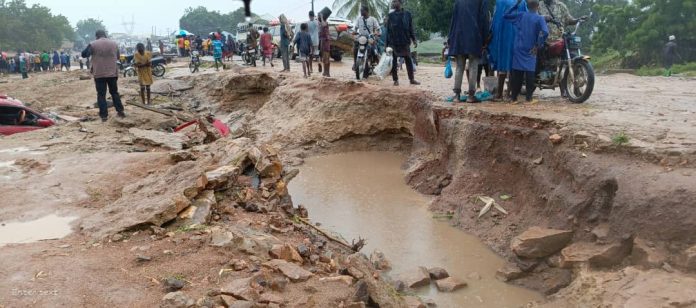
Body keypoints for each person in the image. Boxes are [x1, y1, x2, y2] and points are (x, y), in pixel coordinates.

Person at [505, 0, 548, 103]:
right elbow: (545, 32)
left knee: (517, 73)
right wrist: (538, 45)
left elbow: (506, 15)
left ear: (527, 7)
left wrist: (516, 4)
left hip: (518, 48)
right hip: (531, 49)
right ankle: (529, 98)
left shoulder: (521, 15)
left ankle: (514, 98)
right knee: (530, 72)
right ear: (537, 6)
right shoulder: (540, 18)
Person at [447, 0, 490, 102]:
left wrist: (450, 38)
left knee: (459, 66)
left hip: (459, 36)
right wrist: (485, 38)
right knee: (473, 65)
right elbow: (484, 19)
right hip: (474, 36)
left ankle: (456, 96)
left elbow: (453, 20)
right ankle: (471, 96)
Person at [82, 30, 125, 122]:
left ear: (96, 36)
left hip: (99, 74)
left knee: (101, 95)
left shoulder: (93, 44)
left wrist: (92, 49)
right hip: (112, 73)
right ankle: (120, 111)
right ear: (105, 35)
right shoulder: (114, 43)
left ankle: (104, 116)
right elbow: (117, 57)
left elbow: (84, 54)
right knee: (114, 92)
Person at [489, 0, 527, 100]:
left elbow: (495, 21)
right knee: (513, 66)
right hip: (517, 38)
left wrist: (493, 37)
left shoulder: (501, 2)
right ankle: (510, 94)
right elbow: (526, 19)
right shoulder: (522, 2)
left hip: (504, 38)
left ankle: (499, 94)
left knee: (503, 65)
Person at [386, 0, 419, 86]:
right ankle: (395, 80)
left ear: (400, 3)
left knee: (408, 60)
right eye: (393, 2)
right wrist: (386, 44)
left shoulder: (407, 14)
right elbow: (388, 31)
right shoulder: (391, 15)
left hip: (405, 41)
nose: (394, 3)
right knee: (393, 61)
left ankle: (412, 79)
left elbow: (411, 27)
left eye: (395, 1)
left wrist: (414, 39)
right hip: (394, 42)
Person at [353, 6, 380, 71]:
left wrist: (376, 33)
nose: (361, 12)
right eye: (360, 11)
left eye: (362, 11)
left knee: (374, 50)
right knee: (355, 48)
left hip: (370, 38)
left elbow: (378, 29)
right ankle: (355, 63)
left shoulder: (373, 19)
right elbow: (355, 28)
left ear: (366, 11)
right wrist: (354, 33)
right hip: (361, 38)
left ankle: (374, 61)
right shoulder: (359, 19)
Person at [318, 12, 331, 77]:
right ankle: (325, 72)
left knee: (326, 59)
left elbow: (323, 24)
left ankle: (327, 73)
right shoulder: (321, 23)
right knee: (324, 59)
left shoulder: (325, 23)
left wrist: (321, 17)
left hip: (326, 43)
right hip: (322, 43)